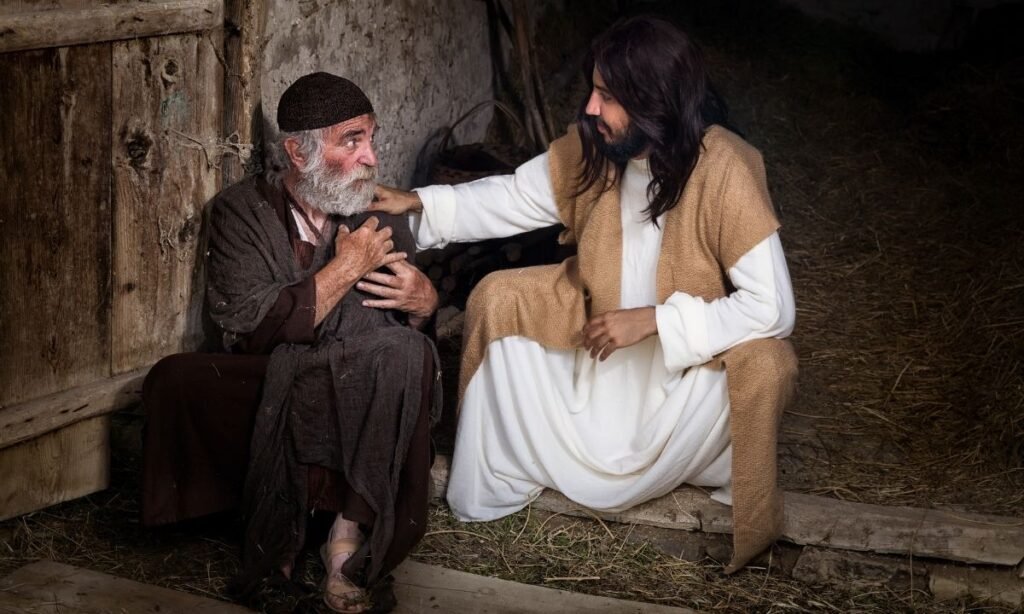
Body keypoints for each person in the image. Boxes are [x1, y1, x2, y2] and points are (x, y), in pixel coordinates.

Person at [373, 16, 798, 572]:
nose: (591, 108)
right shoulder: (596, 148)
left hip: (684, 388)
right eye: (593, 90)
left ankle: (689, 462)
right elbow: (511, 196)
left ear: (654, 101)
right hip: (594, 372)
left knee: (768, 363)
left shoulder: (725, 167)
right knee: (499, 296)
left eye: (608, 95)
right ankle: (517, 466)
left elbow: (773, 307)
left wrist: (655, 321)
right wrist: (418, 204)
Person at [141, 72, 440, 613]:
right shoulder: (239, 212)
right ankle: (276, 547)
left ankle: (344, 544)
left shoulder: (379, 216)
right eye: (352, 140)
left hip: (355, 379)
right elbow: (250, 329)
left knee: (406, 353)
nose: (371, 157)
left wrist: (425, 306)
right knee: (176, 378)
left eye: (371, 137)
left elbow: (390, 338)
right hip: (271, 378)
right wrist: (345, 269)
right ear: (299, 153)